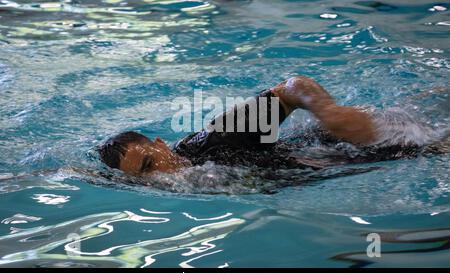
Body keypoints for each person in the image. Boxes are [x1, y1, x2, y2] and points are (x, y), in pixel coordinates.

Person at [97, 76, 447, 176]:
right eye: (144, 175)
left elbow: (291, 88)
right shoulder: (165, 183)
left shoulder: (219, 140)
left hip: (353, 144)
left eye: (150, 162)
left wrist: (332, 113)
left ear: (160, 144)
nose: (158, 174)